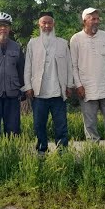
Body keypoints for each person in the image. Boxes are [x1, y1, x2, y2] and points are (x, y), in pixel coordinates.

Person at [70, 7, 105, 152]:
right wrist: (78, 85)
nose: (96, 21)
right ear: (84, 20)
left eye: (97, 19)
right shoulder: (76, 39)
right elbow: (73, 65)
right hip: (87, 87)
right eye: (93, 19)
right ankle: (94, 150)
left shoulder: (104, 36)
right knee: (90, 121)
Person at [23, 12, 73, 155]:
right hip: (39, 93)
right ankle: (41, 151)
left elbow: (69, 66)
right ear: (39, 24)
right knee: (39, 125)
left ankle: (62, 152)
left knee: (61, 125)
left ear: (53, 24)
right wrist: (28, 86)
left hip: (58, 93)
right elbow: (28, 67)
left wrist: (69, 85)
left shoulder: (63, 43)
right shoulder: (33, 43)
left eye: (49, 23)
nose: (46, 26)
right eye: (43, 23)